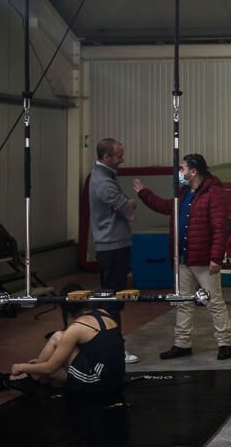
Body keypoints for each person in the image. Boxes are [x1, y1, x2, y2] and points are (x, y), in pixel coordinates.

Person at [133, 153, 231, 360]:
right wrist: (144, 193)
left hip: (204, 260)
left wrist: (216, 258)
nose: (180, 173)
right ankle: (182, 343)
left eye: (182, 169)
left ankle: (224, 343)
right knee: (183, 302)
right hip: (183, 259)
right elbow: (164, 206)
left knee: (214, 301)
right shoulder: (184, 192)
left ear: (193, 171)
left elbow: (220, 228)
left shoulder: (214, 193)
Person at [0, 300, 125, 396]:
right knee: (47, 364)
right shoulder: (104, 313)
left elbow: (49, 368)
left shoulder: (76, 328)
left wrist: (21, 367)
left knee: (57, 340)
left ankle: (22, 379)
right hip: (115, 378)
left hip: (97, 383)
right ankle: (23, 379)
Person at [89, 137, 139, 364]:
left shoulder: (107, 176)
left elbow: (124, 206)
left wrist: (126, 204)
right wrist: (130, 204)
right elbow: (128, 211)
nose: (123, 159)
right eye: (119, 156)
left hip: (116, 244)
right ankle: (114, 349)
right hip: (112, 246)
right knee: (111, 300)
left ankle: (112, 346)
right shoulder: (102, 181)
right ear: (106, 157)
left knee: (115, 298)